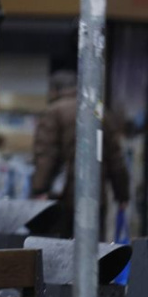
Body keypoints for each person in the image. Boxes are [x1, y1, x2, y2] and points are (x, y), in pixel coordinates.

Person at [31, 70, 130, 239]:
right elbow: (115, 159)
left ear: (55, 90)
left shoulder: (54, 112)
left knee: (58, 251)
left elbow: (46, 155)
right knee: (95, 251)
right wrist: (122, 194)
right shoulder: (99, 111)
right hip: (95, 196)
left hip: (59, 199)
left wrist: (39, 189)